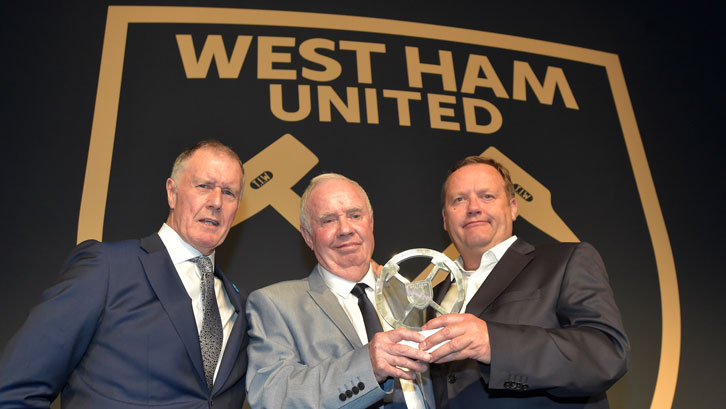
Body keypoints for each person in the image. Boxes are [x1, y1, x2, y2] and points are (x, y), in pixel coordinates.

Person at [0, 140, 249, 408]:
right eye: (204, 186)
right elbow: (16, 390)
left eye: (229, 193)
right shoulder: (106, 268)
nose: (216, 202)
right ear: (172, 192)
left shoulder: (242, 305)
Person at [418, 156, 630, 408]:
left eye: (487, 196)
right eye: (459, 199)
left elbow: (606, 354)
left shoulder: (566, 260)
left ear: (513, 207)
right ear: (445, 219)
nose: (473, 207)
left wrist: (493, 343)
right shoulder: (434, 297)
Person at [246, 173, 434, 409]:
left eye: (355, 215)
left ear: (371, 222)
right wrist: (367, 367)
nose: (345, 229)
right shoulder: (275, 304)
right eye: (328, 220)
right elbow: (272, 397)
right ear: (308, 236)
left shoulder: (412, 297)